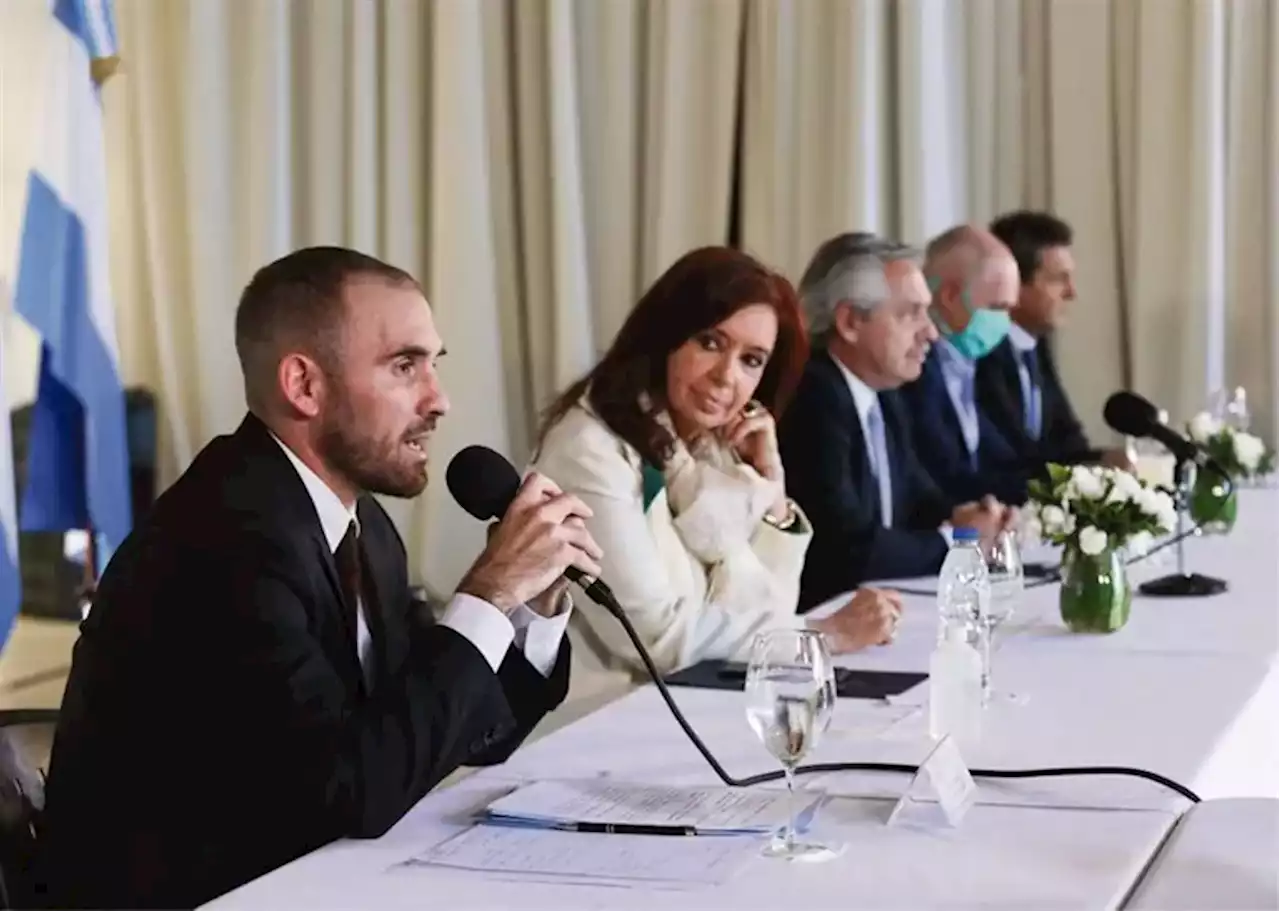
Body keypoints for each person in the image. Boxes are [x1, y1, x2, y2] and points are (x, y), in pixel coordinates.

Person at [36, 247, 602, 910]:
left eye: (434, 365)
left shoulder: (363, 528)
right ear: (304, 385)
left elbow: (447, 730)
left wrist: (530, 604)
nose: (439, 400)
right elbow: (350, 790)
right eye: (404, 366)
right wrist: (489, 592)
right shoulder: (222, 538)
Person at [532, 246, 902, 680]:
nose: (727, 377)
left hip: (695, 701)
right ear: (665, 336)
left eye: (751, 360)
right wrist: (822, 634)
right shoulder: (589, 450)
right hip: (601, 718)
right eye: (710, 343)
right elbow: (655, 635)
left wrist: (774, 492)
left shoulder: (712, 451)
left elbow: (769, 609)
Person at [778, 233, 1012, 608]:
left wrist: (968, 514)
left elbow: (917, 498)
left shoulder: (883, 393)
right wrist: (959, 541)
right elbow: (844, 549)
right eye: (910, 314)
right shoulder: (812, 398)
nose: (932, 333)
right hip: (817, 626)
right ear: (851, 321)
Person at [982, 210, 1132, 471]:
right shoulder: (981, 354)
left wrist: (1105, 461)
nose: (1072, 292)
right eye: (1058, 279)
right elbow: (1007, 461)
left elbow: (1066, 440)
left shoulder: (1035, 344)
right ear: (1012, 283)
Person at [899, 225, 1034, 505]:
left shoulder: (981, 362)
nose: (1006, 323)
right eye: (997, 308)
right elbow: (944, 475)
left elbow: (1006, 460)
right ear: (949, 296)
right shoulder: (907, 371)